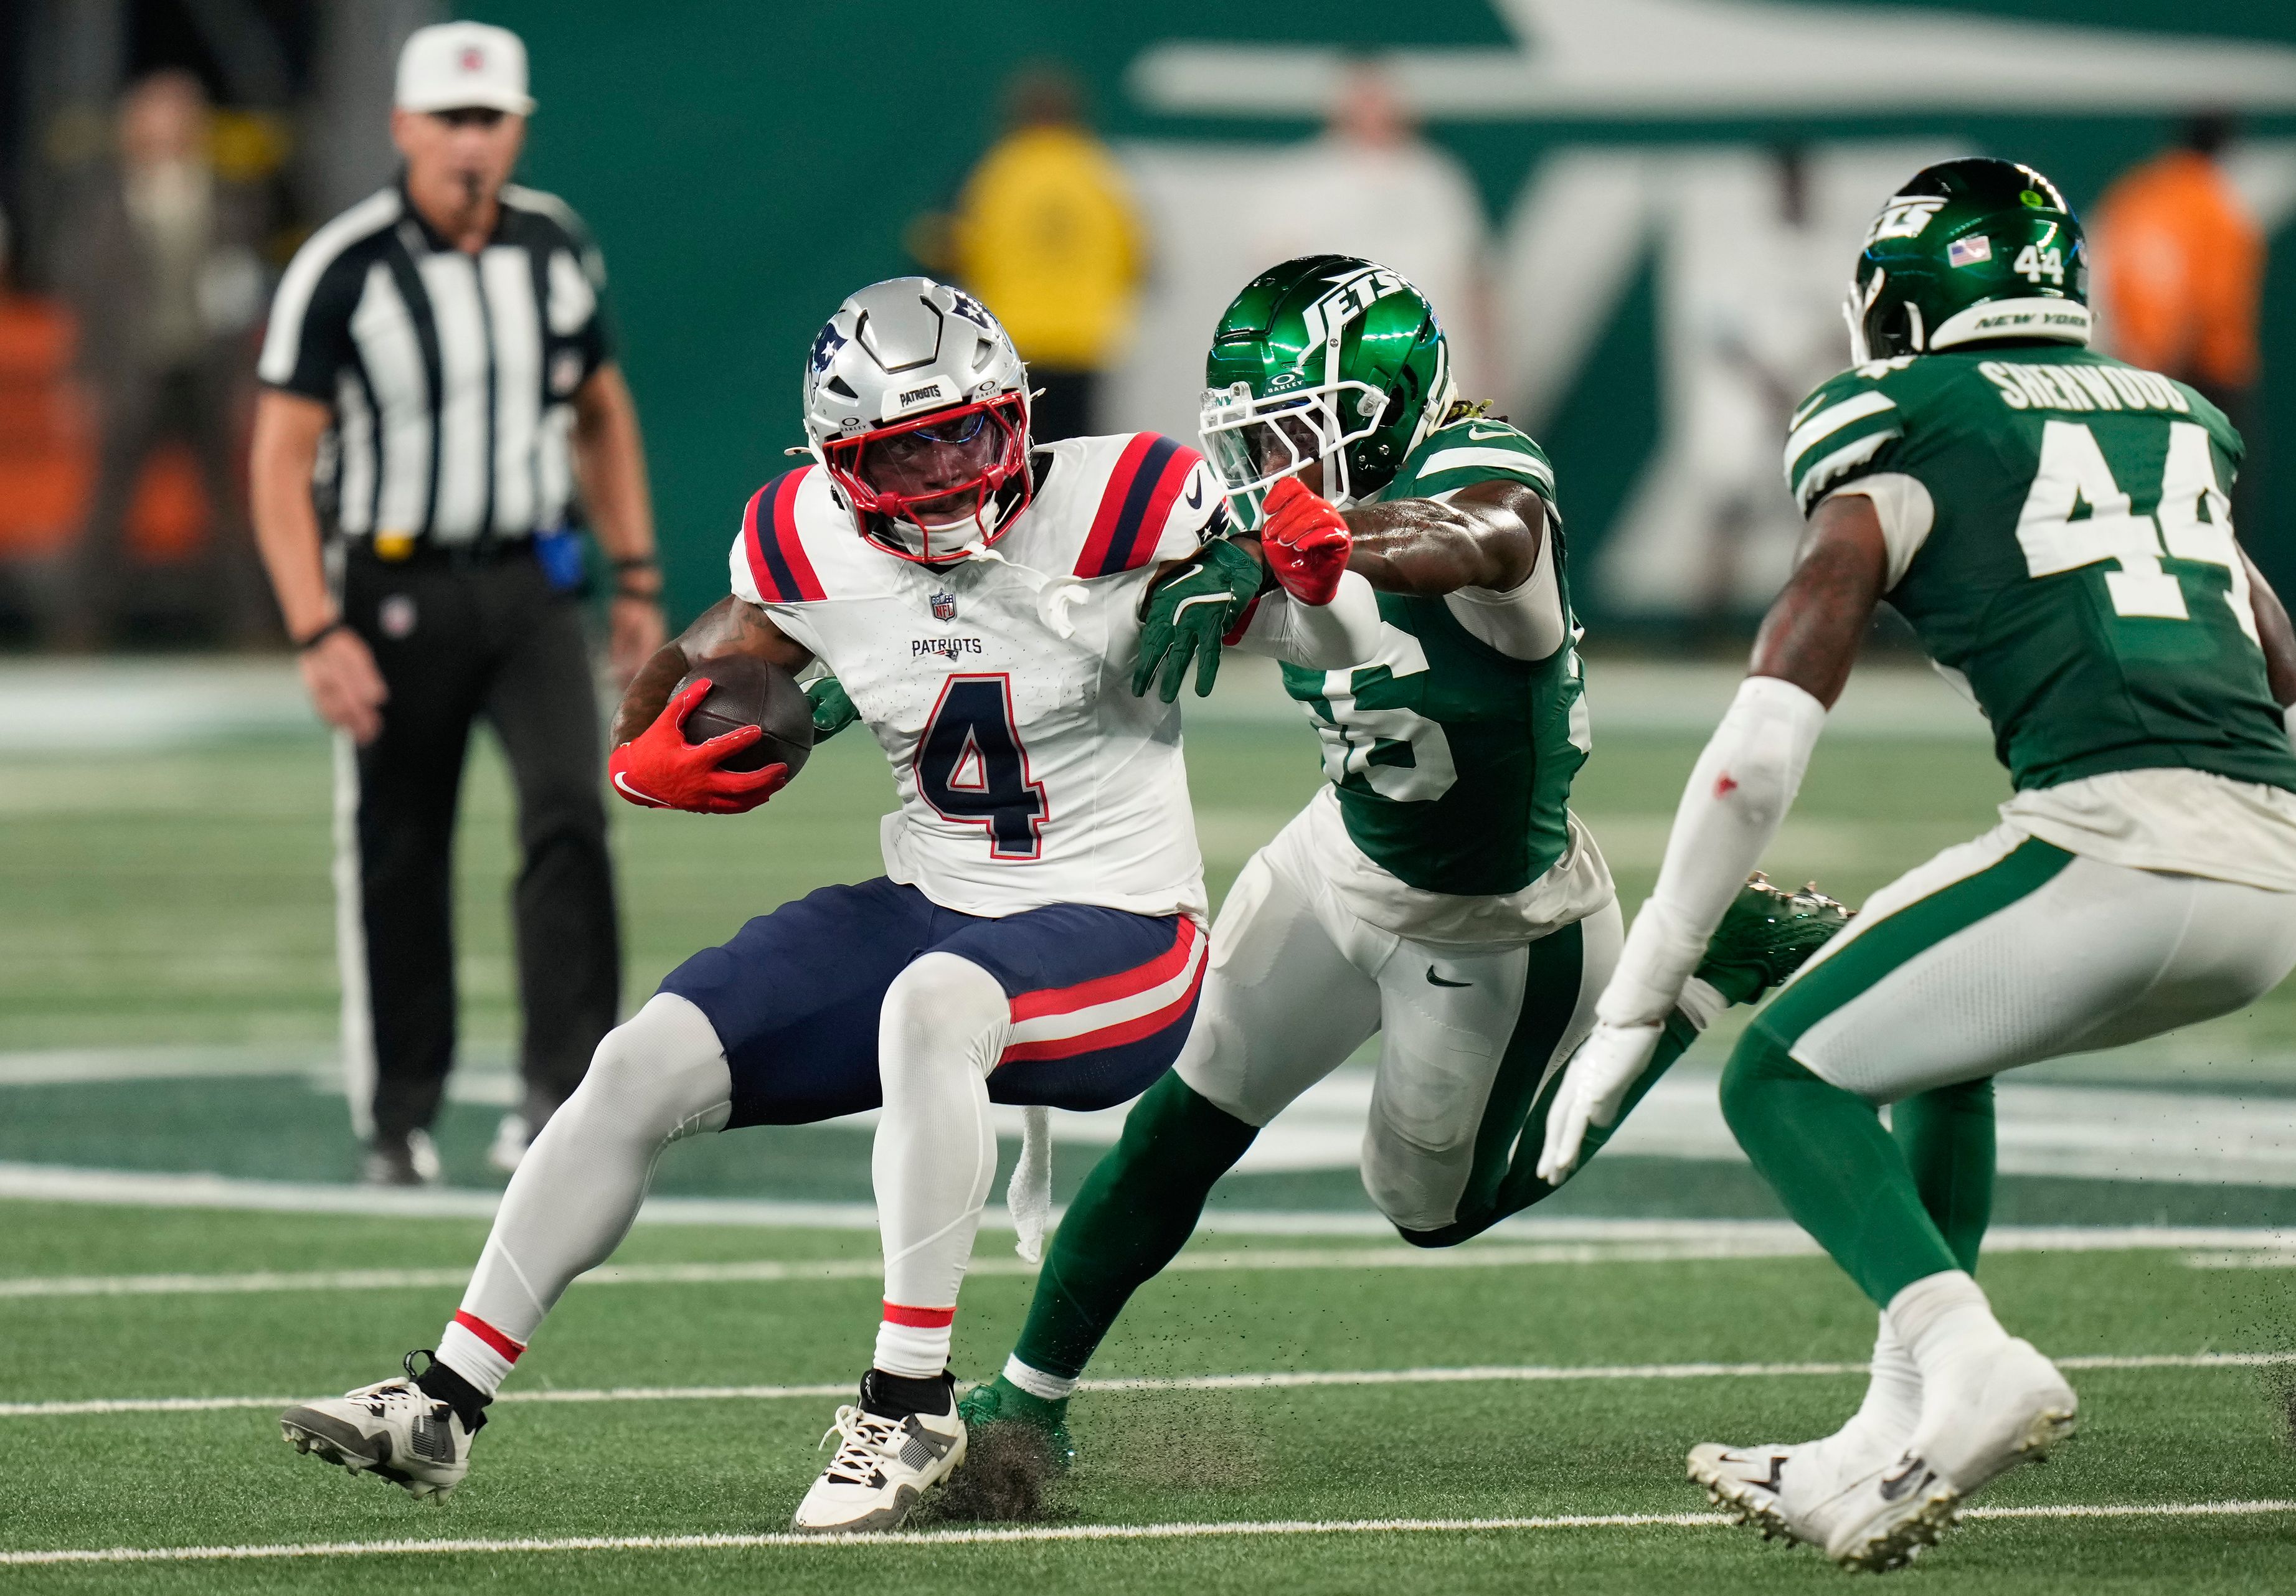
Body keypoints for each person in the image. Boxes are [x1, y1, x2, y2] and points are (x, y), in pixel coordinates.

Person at [273, 276, 1381, 1532]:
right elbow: (706, 667)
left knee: (932, 1003)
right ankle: (446, 1400)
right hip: (933, 901)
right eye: (898, 452)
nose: (944, 471)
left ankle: (909, 1405)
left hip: (1123, 928)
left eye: (964, 431)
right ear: (837, 467)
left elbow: (1338, 631)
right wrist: (663, 726)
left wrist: (1275, 561)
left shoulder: (1129, 493)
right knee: (640, 1061)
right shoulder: (804, 537)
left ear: (1016, 413)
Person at [1538, 159, 2296, 1572]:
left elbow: (1758, 753)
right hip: (2278, 866)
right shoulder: (2174, 422)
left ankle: (1967, 1352)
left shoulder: (1897, 420)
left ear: (1902, 306)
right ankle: (1883, 1438)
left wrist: (1644, 982)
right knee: (1924, 1038)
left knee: (1778, 1071)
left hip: (2121, 848)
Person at [954, 255, 1848, 1458]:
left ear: (1376, 414)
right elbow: (1091, 590)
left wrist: (1315, 545)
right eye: (1252, 443)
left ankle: (1707, 969)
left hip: (1497, 923)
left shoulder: (1484, 472)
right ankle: (1029, 1403)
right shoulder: (1280, 510)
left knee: (1431, 1206)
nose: (1262, 472)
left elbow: (1475, 535)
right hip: (1340, 854)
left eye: (1291, 436)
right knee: (1183, 1113)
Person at [248, 22, 665, 1184]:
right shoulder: (343, 264)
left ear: (519, 128)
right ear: (403, 128)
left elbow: (602, 410)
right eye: (449, 120)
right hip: (394, 584)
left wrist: (633, 573)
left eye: (489, 120)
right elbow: (280, 457)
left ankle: (567, 1096)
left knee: (569, 814)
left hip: (533, 578)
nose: (469, 143)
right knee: (400, 841)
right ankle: (401, 1110)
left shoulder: (553, 246)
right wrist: (313, 625)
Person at [53, 68, 272, 649]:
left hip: (206, 369)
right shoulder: (106, 204)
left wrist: (247, 378)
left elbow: (241, 296)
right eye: (154, 115)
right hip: (134, 372)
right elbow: (89, 303)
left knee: (227, 508)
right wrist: (82, 378)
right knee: (108, 507)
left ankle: (250, 627)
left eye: (178, 115)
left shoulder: (227, 199)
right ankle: (80, 627)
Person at [924, 64, 1143, 444]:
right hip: (1085, 339)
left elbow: (957, 250)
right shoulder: (1098, 171)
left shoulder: (998, 173)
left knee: (1018, 448)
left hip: (1016, 337)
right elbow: (1136, 259)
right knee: (1083, 450)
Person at [1255, 66, 1496, 400]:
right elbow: (1276, 287)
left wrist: (1490, 375)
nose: (1375, 112)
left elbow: (1473, 284)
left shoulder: (1436, 177)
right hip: (1333, 378)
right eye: (1363, 101)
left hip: (1434, 377)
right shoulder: (1299, 180)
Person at [2092, 115, 2263, 428]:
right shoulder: (2214, 206)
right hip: (2207, 372)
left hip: (2138, 366)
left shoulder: (2139, 194)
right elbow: (2212, 299)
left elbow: (2111, 276)